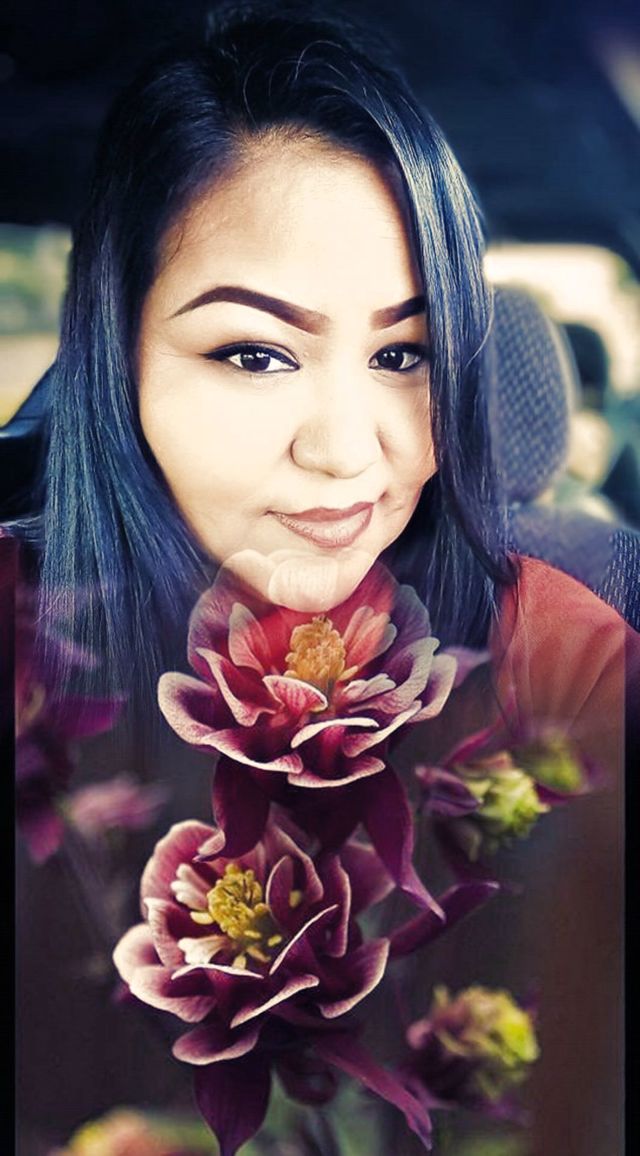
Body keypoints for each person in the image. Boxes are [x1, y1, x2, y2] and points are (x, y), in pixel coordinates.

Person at [8, 5, 637, 1154]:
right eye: (255, 353)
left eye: (403, 354)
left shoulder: (558, 655)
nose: (348, 450)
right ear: (119, 354)